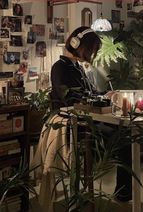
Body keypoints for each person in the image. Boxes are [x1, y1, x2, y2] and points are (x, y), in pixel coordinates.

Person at [50, 26, 132, 202]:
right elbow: (70, 99)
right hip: (71, 123)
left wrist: (105, 95)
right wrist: (97, 97)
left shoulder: (77, 67)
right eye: (92, 50)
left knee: (126, 131)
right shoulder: (60, 68)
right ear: (77, 45)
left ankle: (123, 192)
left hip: (86, 118)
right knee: (122, 137)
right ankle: (122, 193)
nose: (92, 54)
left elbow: (90, 92)